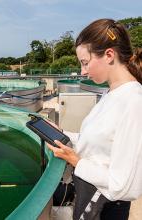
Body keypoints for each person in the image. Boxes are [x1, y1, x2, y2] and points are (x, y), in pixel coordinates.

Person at [47, 18, 142, 220]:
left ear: (109, 55)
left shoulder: (134, 102)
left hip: (106, 209)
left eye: (85, 62)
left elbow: (124, 186)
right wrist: (62, 134)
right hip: (91, 197)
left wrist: (75, 160)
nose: (83, 71)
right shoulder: (112, 93)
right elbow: (98, 143)